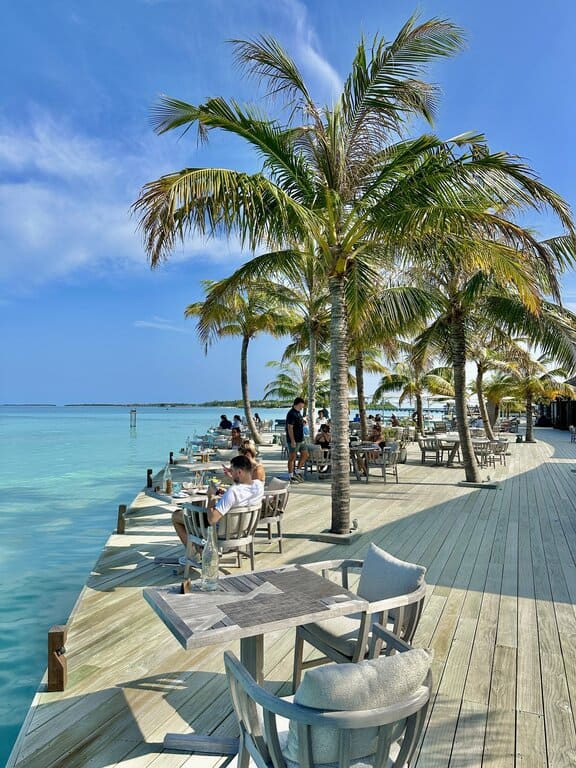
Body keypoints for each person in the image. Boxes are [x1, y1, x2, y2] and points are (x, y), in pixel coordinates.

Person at [171, 454, 264, 552]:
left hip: (220, 531)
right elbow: (242, 490)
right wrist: (232, 478)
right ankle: (200, 549)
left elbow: (212, 519)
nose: (230, 473)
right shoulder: (258, 486)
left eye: (232, 470)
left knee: (176, 515)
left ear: (239, 472)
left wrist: (211, 497)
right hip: (241, 530)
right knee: (195, 514)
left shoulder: (233, 492)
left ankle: (195, 552)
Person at [286, 396, 309, 483]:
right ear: (299, 403)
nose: (303, 406)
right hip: (294, 439)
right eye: (303, 404)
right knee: (292, 457)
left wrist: (302, 422)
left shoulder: (298, 413)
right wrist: (292, 440)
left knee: (305, 454)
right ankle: (291, 476)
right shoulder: (291, 413)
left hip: (301, 438)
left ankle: (297, 472)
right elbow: (290, 427)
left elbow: (297, 423)